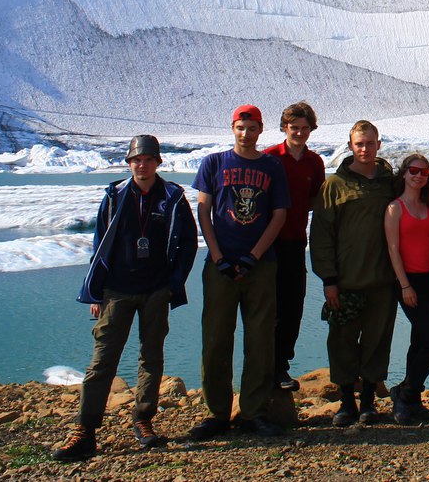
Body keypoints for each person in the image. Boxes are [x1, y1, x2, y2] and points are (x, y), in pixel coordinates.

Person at [53, 135, 197, 462]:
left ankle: (144, 419)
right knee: (103, 359)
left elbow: (187, 243)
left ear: (158, 162)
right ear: (129, 163)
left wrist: (173, 283)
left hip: (155, 290)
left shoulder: (173, 197)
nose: (141, 165)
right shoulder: (115, 195)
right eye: (136, 160)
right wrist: (96, 290)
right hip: (116, 290)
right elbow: (100, 243)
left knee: (151, 355)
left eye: (147, 160)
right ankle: (85, 429)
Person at [189, 105, 289, 440]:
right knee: (216, 339)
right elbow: (204, 210)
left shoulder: (272, 166)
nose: (246, 134)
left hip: (261, 265)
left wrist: (252, 257)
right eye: (240, 127)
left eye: (252, 128)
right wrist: (218, 257)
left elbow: (278, 215)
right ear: (232, 128)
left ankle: (253, 412)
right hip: (220, 265)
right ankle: (216, 412)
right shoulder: (214, 163)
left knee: (260, 340)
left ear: (261, 130)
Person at [311, 120, 399, 427]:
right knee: (342, 342)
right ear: (351, 146)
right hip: (346, 281)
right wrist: (329, 279)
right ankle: (346, 402)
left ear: (378, 145)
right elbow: (321, 236)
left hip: (383, 281)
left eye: (370, 143)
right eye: (359, 144)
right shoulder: (334, 185)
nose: (364, 148)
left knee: (377, 342)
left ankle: (369, 404)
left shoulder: (391, 182)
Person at [264, 101, 326, 393]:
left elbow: (315, 200)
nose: (299, 133)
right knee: (270, 307)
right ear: (284, 128)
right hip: (267, 244)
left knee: (293, 306)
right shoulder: (268, 158)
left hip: (295, 241)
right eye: (294, 128)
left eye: (305, 128)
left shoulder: (314, 163)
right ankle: (268, 368)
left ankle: (281, 364)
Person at [383, 152, 429, 425]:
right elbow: (393, 249)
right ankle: (405, 392)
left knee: (419, 341)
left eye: (423, 172)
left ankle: (413, 401)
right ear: (404, 174)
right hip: (409, 282)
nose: (418, 175)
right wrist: (405, 285)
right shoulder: (395, 208)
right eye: (413, 170)